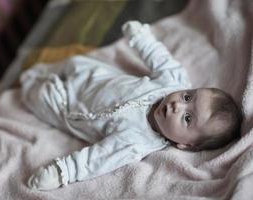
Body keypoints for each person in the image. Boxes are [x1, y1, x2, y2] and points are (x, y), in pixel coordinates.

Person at [20, 21, 243, 191]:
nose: (177, 105)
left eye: (187, 119)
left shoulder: (136, 142)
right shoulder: (174, 82)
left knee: (35, 96)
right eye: (187, 98)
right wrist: (139, 35)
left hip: (67, 107)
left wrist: (62, 172)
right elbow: (159, 57)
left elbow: (97, 159)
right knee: (72, 62)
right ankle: (42, 69)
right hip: (92, 75)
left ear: (185, 145)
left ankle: (27, 79)